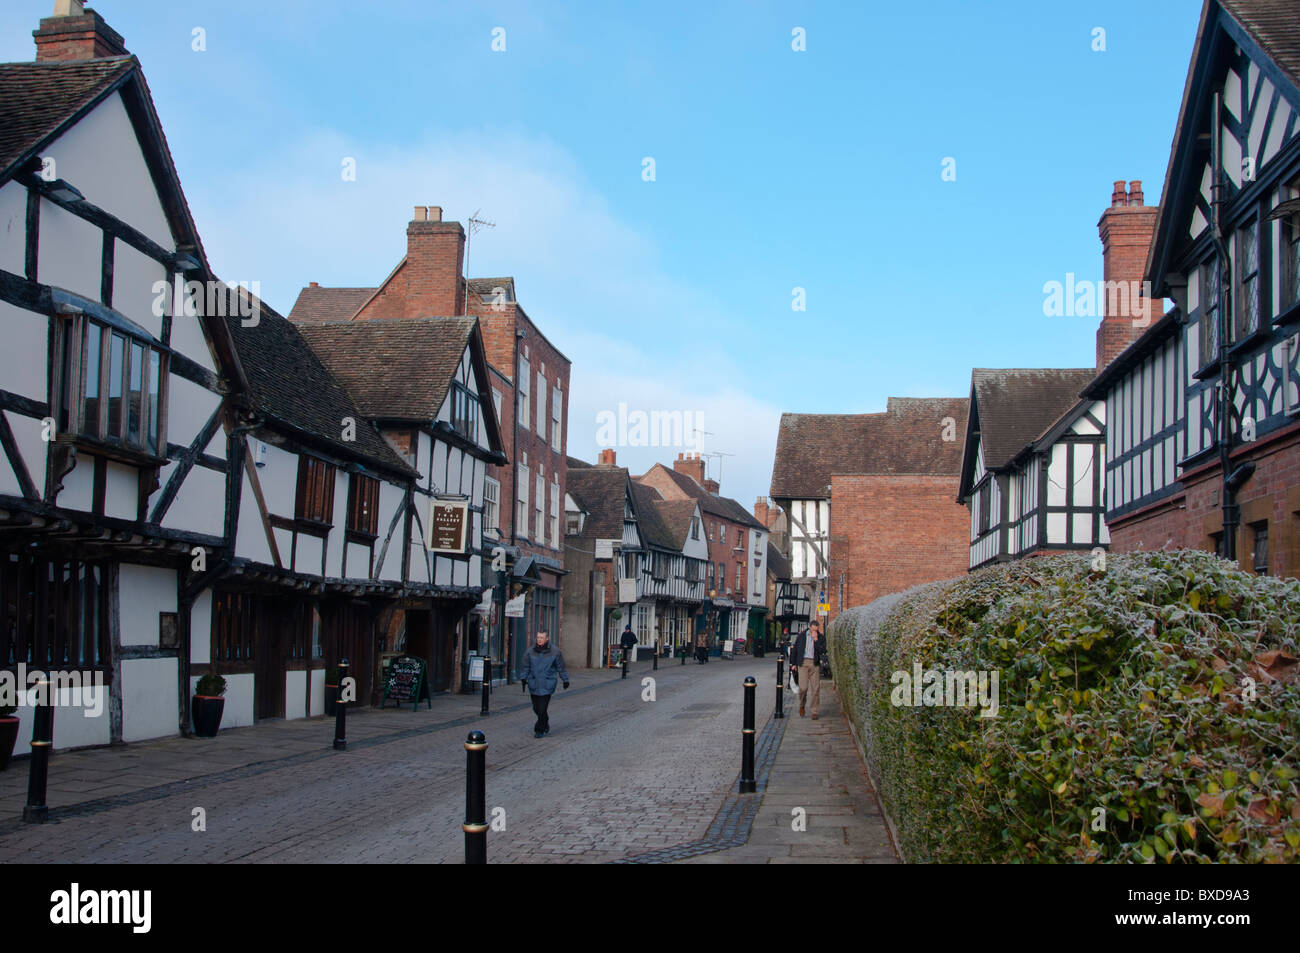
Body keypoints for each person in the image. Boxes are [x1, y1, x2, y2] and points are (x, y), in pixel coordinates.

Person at [519, 630, 569, 738]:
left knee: (542, 708)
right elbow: (525, 666)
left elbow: (561, 667)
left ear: (547, 639)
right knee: (536, 708)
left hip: (547, 683)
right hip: (534, 683)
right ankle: (545, 721)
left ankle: (539, 729)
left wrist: (565, 679)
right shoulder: (530, 652)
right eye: (538, 637)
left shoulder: (555, 652)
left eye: (541, 638)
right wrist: (523, 678)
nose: (539, 640)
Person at [787, 620, 825, 718]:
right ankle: (802, 705)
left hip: (814, 663)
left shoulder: (820, 637)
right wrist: (793, 664)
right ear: (810, 627)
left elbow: (822, 650)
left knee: (815, 688)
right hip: (803, 663)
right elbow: (795, 649)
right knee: (803, 688)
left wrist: (816, 640)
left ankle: (814, 711)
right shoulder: (802, 636)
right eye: (813, 630)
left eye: (816, 630)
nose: (815, 632)